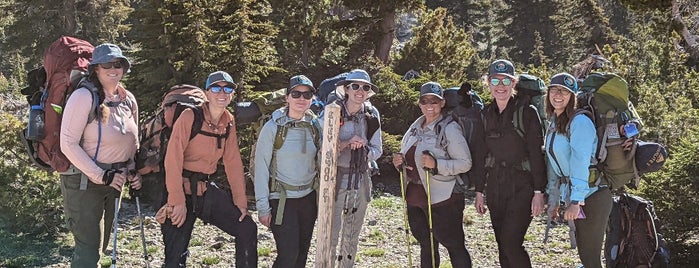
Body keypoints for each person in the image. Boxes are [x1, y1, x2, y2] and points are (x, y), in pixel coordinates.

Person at [159, 71, 257, 267]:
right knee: (175, 257)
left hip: (204, 190)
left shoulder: (227, 121)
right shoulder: (189, 117)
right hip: (180, 190)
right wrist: (177, 201)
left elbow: (233, 162)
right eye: (216, 88)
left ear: (232, 94)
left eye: (227, 88)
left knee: (246, 228)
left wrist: (240, 201)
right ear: (207, 93)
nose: (222, 93)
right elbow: (173, 160)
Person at [59, 43, 141, 267]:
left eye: (119, 64)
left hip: (115, 180)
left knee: (101, 244)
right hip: (84, 182)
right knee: (88, 250)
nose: (114, 68)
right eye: (107, 64)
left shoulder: (128, 99)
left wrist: (133, 168)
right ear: (95, 68)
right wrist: (101, 175)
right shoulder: (83, 97)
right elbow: (67, 144)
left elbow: (133, 140)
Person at [392, 82, 473, 268]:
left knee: (454, 245)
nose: (430, 105)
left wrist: (437, 165)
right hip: (414, 196)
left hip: (444, 197)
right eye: (425, 101)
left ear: (442, 103)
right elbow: (410, 157)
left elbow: (465, 163)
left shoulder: (449, 128)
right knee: (425, 245)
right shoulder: (415, 127)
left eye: (434, 101)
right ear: (419, 103)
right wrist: (400, 163)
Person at [474, 59, 546, 268]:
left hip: (523, 186)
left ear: (513, 83)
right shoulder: (485, 114)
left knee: (511, 242)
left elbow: (536, 154)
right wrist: (479, 190)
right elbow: (480, 154)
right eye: (495, 81)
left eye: (505, 81)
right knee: (501, 244)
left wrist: (539, 192)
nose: (500, 86)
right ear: (488, 84)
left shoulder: (527, 112)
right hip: (496, 186)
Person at [544, 73, 610, 268]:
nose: (558, 95)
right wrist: (554, 198)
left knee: (590, 259)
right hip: (578, 194)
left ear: (572, 96)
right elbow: (555, 165)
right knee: (585, 257)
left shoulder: (580, 122)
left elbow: (580, 163)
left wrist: (576, 201)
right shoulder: (555, 122)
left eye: (564, 91)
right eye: (554, 90)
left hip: (593, 195)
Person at [254, 75, 321, 268]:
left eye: (307, 94)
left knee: (301, 255)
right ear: (287, 97)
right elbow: (261, 168)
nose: (302, 98)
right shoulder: (273, 127)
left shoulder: (314, 125)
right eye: (296, 93)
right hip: (282, 200)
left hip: (308, 198)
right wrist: (263, 207)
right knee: (288, 256)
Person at [327, 69, 383, 267]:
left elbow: (378, 149)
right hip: (334, 179)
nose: (360, 91)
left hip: (361, 178)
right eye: (355, 86)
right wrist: (346, 143)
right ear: (346, 89)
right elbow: (322, 147)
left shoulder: (372, 114)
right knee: (330, 233)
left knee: (352, 233)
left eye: (365, 87)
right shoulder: (332, 111)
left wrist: (364, 150)